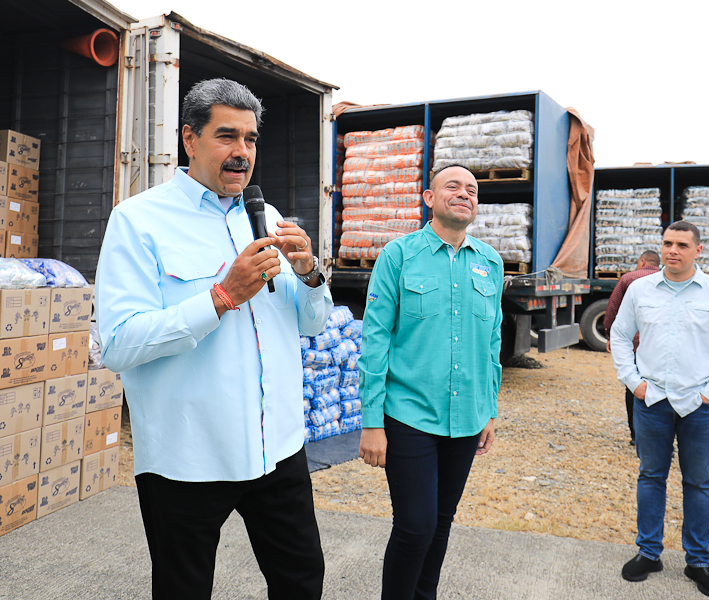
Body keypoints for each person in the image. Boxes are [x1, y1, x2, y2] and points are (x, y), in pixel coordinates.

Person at [95, 78, 332, 600]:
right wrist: (220, 298)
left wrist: (311, 274)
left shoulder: (266, 218)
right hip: (189, 456)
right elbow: (116, 344)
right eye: (227, 136)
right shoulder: (139, 221)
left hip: (277, 448)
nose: (241, 153)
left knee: (302, 581)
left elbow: (310, 324)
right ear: (190, 139)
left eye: (250, 139)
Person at [358, 164, 502, 600]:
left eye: (472, 189)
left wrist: (490, 409)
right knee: (415, 526)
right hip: (409, 416)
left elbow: (492, 341)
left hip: (467, 418)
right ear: (428, 197)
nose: (464, 194)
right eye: (452, 186)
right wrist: (371, 421)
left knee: (440, 523)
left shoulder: (490, 263)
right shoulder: (399, 256)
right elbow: (375, 338)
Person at [611, 221, 709, 599]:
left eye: (682, 245)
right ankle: (649, 552)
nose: (673, 250)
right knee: (651, 476)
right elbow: (620, 336)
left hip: (699, 406)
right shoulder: (640, 289)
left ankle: (698, 562)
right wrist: (634, 382)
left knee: (698, 483)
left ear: (698, 250)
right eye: (668, 243)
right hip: (652, 402)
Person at [603, 250, 661, 445]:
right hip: (659, 345)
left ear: (642, 261)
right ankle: (661, 436)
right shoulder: (668, 279)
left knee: (634, 387)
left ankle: (636, 435)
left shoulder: (629, 279)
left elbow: (613, 308)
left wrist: (610, 334)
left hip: (634, 344)